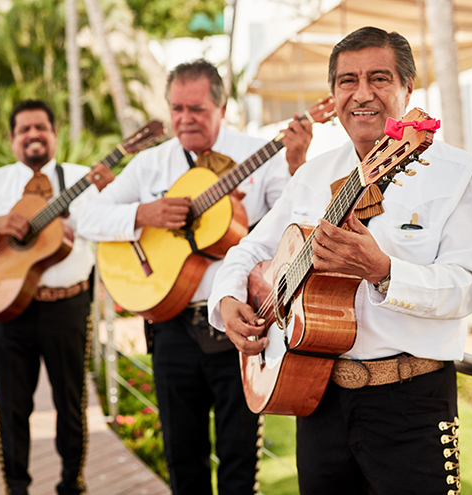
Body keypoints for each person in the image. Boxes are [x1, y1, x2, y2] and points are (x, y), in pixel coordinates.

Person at [208, 27, 472, 495]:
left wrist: (384, 271)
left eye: (379, 78)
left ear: (408, 87)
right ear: (333, 94)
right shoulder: (312, 176)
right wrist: (226, 300)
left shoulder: (459, 174)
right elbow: (249, 249)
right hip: (317, 396)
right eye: (347, 81)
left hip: (411, 406)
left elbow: (470, 286)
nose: (362, 94)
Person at [77, 59, 313, 495]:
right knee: (181, 456)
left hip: (239, 327)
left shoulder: (261, 153)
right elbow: (85, 214)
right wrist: (141, 214)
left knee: (240, 455)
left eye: (197, 109)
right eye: (177, 109)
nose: (185, 119)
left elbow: (296, 221)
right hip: (171, 327)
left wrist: (298, 164)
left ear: (221, 108)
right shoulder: (151, 165)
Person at [0, 100, 113, 495]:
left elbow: (107, 228)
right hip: (7, 310)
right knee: (11, 407)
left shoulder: (84, 180)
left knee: (71, 403)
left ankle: (72, 484)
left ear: (54, 134)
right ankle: (15, 488)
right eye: (24, 130)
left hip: (67, 306)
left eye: (41, 128)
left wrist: (105, 198)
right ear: (13, 140)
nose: (33, 135)